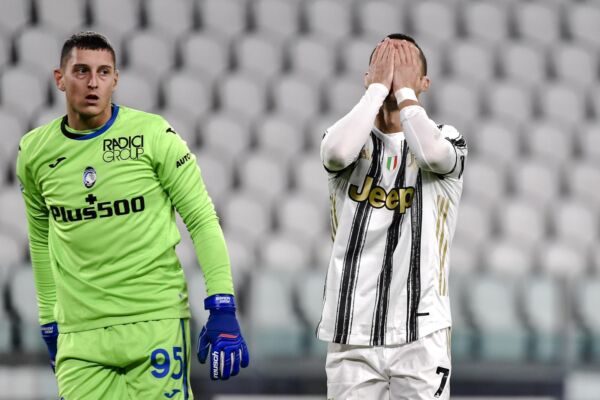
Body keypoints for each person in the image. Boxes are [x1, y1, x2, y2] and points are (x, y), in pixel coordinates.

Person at [16, 31, 249, 399]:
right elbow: (41, 241)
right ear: (60, 79)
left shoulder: (153, 136)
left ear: (116, 79)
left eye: (103, 72)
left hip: (155, 323)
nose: (93, 83)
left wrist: (221, 304)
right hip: (80, 335)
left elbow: (202, 219)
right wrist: (49, 321)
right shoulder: (34, 153)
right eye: (81, 71)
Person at [317, 33, 467, 399]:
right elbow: (335, 154)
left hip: (422, 329)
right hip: (352, 328)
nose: (395, 69)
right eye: (386, 62)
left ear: (425, 83)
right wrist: (376, 92)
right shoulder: (347, 138)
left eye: (406, 64)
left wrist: (404, 95)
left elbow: (432, 156)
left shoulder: (447, 138)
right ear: (368, 77)